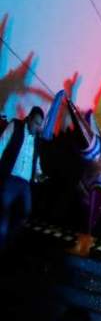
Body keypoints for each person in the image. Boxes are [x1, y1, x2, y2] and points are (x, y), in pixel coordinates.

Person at [0, 106, 44, 250]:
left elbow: (36, 159)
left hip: (24, 183)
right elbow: (1, 144)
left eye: (40, 125)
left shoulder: (37, 138)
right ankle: (2, 239)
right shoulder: (16, 126)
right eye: (36, 123)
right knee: (4, 209)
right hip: (11, 178)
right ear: (29, 118)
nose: (38, 127)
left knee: (26, 211)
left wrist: (38, 173)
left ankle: (9, 241)